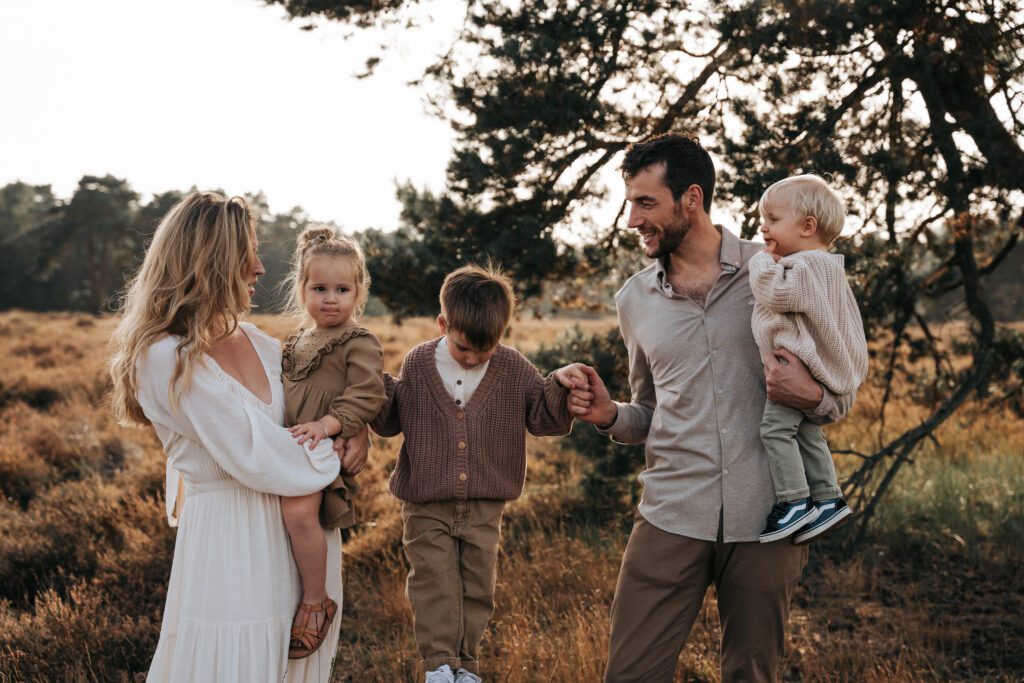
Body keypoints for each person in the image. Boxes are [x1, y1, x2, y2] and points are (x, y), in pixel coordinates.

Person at [564, 134, 855, 682]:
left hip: (767, 520)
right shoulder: (634, 300)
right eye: (630, 203)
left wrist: (813, 397)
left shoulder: (781, 271)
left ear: (691, 198)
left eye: (646, 203)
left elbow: (839, 381)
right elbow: (649, 413)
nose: (632, 220)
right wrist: (609, 415)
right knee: (629, 675)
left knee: (752, 675)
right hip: (671, 514)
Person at [108, 192, 365, 682]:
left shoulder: (262, 344)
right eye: (248, 251)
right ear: (214, 261)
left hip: (299, 540)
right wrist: (331, 454)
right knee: (232, 663)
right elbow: (257, 453)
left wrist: (357, 429)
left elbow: (319, 398)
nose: (260, 267)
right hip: (232, 545)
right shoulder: (166, 358)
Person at [370, 264, 579, 683]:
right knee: (434, 582)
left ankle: (466, 665)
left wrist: (560, 382)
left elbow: (541, 416)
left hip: (485, 505)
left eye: (486, 349)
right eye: (465, 348)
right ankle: (439, 666)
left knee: (477, 587)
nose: (475, 357)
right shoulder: (418, 363)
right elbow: (392, 418)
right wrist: (373, 385)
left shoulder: (513, 367)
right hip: (426, 501)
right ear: (443, 323)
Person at [279, 225, 387, 658]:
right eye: (319, 287)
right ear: (301, 288)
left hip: (319, 446)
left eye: (342, 289)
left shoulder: (357, 340)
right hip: (289, 444)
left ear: (358, 293)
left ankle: (315, 601)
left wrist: (333, 425)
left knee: (300, 510)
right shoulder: (296, 341)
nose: (330, 298)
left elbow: (368, 391)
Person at [751, 175, 868, 544]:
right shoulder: (822, 266)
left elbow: (778, 294)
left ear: (807, 227)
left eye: (772, 218)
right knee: (806, 432)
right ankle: (828, 497)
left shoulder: (808, 265)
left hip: (796, 367)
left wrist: (759, 264)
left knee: (774, 430)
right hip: (808, 368)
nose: (763, 226)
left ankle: (794, 501)